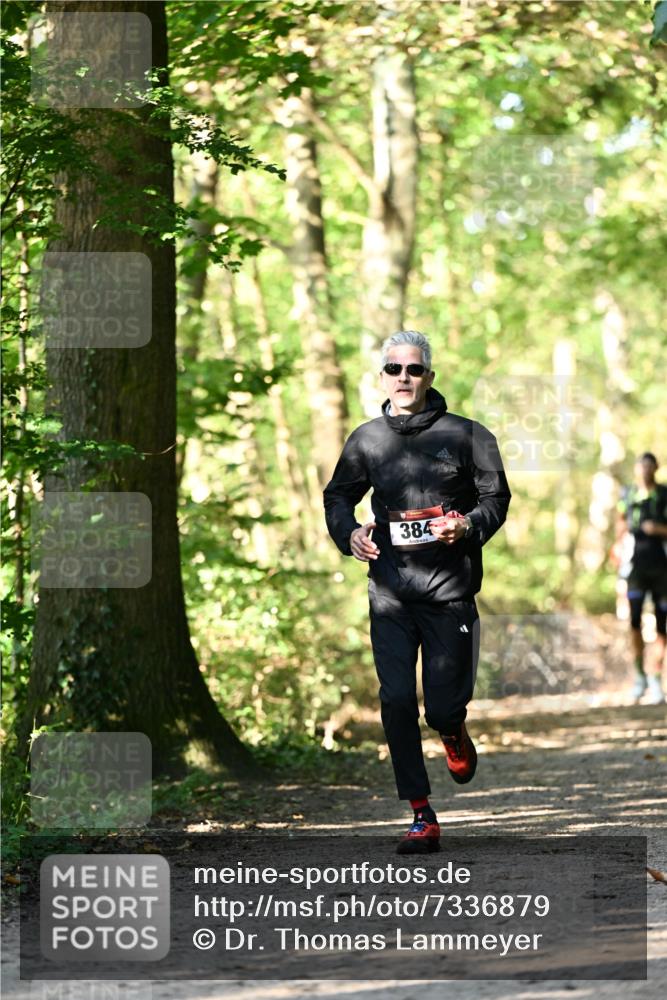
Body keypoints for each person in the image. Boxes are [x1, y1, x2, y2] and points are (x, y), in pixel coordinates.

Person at [323, 331, 511, 854]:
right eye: (393, 369)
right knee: (397, 699)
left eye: (413, 369)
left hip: (450, 591)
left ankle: (453, 732)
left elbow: (497, 499)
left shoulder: (470, 435)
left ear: (429, 376)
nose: (403, 378)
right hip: (390, 592)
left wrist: (468, 525)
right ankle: (420, 813)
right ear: (381, 376)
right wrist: (351, 534)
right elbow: (338, 497)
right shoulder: (366, 440)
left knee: (443, 708)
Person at [615, 452, 667, 705]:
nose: (645, 470)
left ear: (656, 468)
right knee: (634, 621)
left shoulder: (664, 494)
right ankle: (640, 676)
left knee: (661, 624)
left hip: (662, 568)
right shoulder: (627, 494)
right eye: (641, 465)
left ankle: (657, 678)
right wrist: (616, 548)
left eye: (650, 465)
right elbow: (620, 524)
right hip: (635, 568)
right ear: (637, 468)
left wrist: (659, 530)